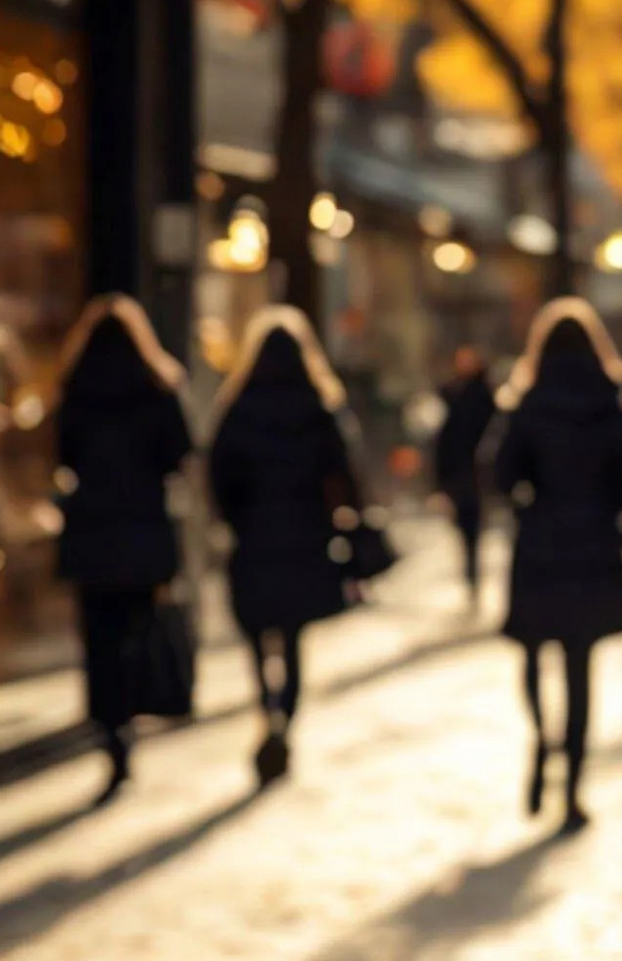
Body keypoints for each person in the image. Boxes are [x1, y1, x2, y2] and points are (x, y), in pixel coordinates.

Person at [492, 300, 622, 835]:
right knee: (580, 666)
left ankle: (543, 737)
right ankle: (574, 791)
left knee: (532, 649)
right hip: (594, 546)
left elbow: (498, 473)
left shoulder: (526, 404)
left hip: (539, 543)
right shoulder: (614, 403)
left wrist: (527, 500)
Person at [209, 307, 383, 787]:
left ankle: (268, 708)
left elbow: (218, 473)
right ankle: (285, 713)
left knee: (258, 636)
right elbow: (345, 473)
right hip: (305, 538)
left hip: (255, 539)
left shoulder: (239, 407)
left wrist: (236, 520)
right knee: (291, 637)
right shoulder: (316, 406)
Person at [55, 295, 194, 804]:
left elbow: (63, 454)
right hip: (141, 530)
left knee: (101, 640)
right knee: (139, 630)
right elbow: (179, 454)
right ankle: (133, 718)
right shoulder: (157, 387)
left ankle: (113, 733)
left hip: (92, 531)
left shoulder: (77, 389)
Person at [432, 345, 497, 607]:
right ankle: (470, 573)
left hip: (476, 474)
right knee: (464, 528)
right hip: (459, 474)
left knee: (474, 528)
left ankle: (474, 574)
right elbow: (443, 442)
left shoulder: (486, 396)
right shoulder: (450, 395)